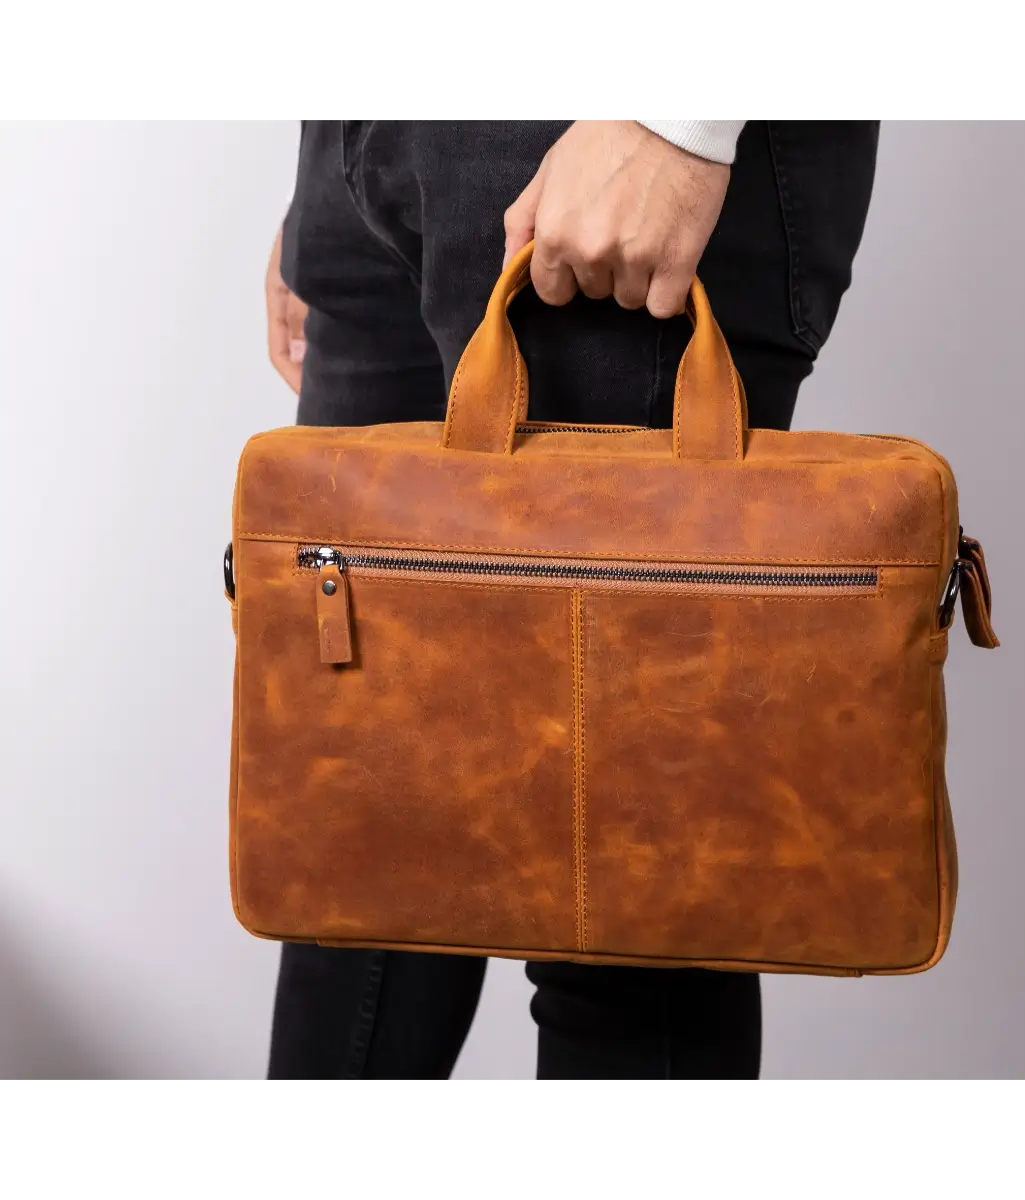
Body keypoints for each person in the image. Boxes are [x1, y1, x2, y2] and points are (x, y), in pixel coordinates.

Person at [263, 119, 880, 1080]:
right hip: (377, 164)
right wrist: (344, 173)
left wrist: (676, 131)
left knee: (630, 911)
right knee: (361, 832)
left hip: (598, 140)